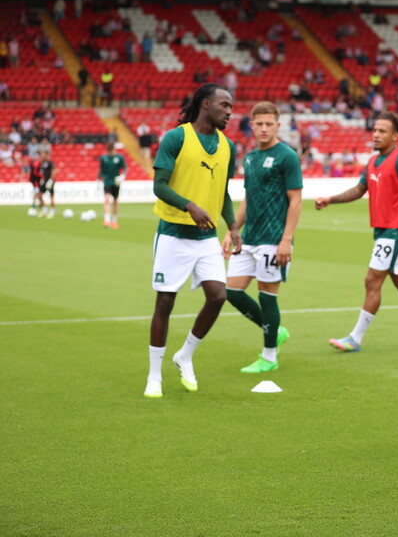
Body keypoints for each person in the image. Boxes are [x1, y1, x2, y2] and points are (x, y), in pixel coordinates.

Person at [315, 111, 398, 352]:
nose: (376, 135)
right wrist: (330, 199)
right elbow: (359, 190)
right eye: (375, 130)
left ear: (396, 136)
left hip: (396, 232)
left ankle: (355, 338)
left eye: (382, 131)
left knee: (372, 280)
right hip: (382, 231)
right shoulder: (372, 161)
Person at [144, 83, 239, 399]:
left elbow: (222, 191)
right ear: (206, 103)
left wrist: (234, 226)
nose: (230, 111)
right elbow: (159, 185)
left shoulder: (228, 146)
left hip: (207, 237)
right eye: (225, 105)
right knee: (165, 303)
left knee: (217, 297)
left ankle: (184, 355)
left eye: (231, 107)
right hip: (173, 234)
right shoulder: (176, 138)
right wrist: (190, 205)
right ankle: (154, 375)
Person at [222, 102, 302, 373]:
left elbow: (296, 200)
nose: (264, 128)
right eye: (260, 124)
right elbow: (249, 198)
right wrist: (232, 229)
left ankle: (269, 356)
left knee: (267, 297)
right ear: (252, 126)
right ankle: (276, 331)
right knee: (230, 291)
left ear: (278, 126)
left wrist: (286, 239)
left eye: (270, 124)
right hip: (249, 238)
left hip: (273, 239)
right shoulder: (251, 158)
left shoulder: (286, 156)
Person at [99, 142, 126, 229]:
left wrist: (123, 176)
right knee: (106, 199)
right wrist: (98, 179)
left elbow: (125, 168)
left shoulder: (119, 157)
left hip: (116, 182)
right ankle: (107, 220)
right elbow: (101, 170)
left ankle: (114, 221)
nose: (111, 153)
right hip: (107, 181)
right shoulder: (104, 158)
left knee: (115, 201)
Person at [30, 150, 57, 218]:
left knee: (51, 196)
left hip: (50, 181)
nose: (41, 157)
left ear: (46, 156)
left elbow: (53, 171)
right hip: (45, 181)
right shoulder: (43, 163)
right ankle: (44, 211)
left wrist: (51, 180)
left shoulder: (50, 163)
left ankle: (52, 212)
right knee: (39, 195)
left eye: (43, 155)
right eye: (41, 155)